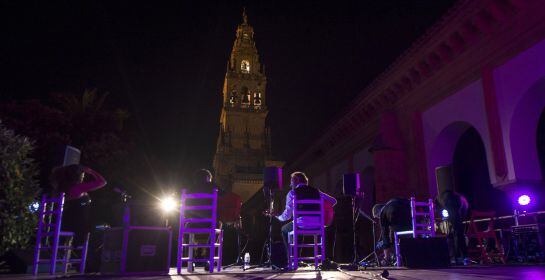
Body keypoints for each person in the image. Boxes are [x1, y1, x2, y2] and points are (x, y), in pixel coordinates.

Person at [273, 171, 337, 265]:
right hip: (318, 224)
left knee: (284, 229)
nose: (290, 184)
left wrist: (277, 216)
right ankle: (322, 259)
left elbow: (287, 216)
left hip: (301, 224)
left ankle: (292, 260)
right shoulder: (316, 191)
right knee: (298, 228)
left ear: (297, 180)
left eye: (291, 181)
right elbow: (333, 201)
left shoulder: (292, 193)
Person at [49, 164, 107, 244]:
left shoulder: (60, 188)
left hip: (64, 222)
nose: (83, 177)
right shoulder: (78, 187)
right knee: (103, 227)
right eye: (83, 175)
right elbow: (102, 182)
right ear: (78, 176)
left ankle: (65, 249)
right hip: (78, 224)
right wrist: (91, 171)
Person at [372, 198, 412, 265]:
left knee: (390, 238)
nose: (379, 218)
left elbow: (385, 235)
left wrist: (386, 257)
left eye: (377, 217)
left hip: (403, 226)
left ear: (379, 212)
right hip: (413, 221)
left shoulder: (383, 212)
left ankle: (396, 259)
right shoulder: (392, 202)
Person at [436, 190, 469, 265]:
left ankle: (458, 257)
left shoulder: (448, 200)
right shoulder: (458, 200)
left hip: (451, 204)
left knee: (457, 234)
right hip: (455, 205)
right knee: (457, 233)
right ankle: (461, 256)